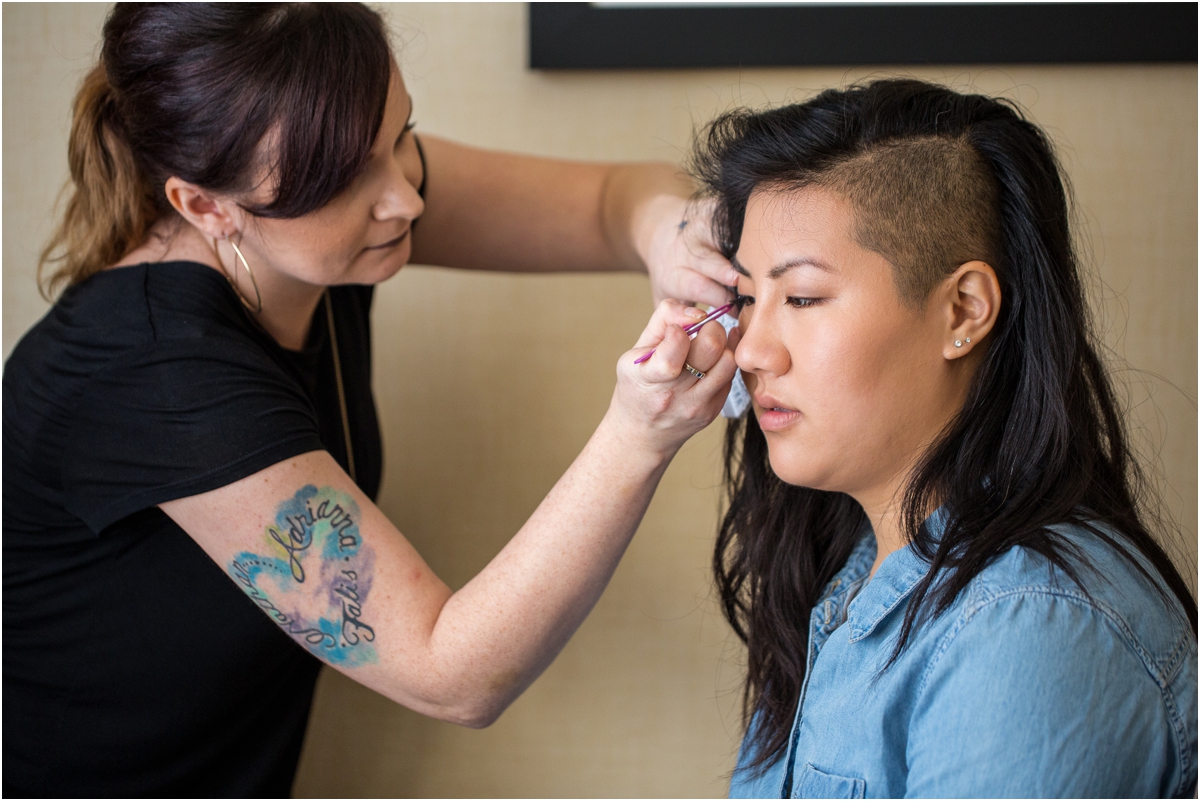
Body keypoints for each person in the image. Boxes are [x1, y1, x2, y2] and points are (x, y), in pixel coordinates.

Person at [2, 4, 741, 796]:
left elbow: (608, 204)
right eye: (343, 179)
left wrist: (674, 234)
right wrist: (640, 433)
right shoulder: (156, 372)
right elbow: (450, 672)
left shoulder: (332, 219)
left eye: (400, 137)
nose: (406, 199)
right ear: (205, 206)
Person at [693, 78, 1198, 797]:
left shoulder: (1028, 630)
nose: (750, 351)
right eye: (747, 299)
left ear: (963, 309)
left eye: (801, 296)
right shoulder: (853, 571)